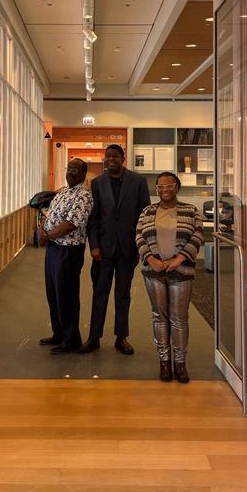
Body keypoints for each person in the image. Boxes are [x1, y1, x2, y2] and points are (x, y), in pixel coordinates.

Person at [79, 144, 150, 355]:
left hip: (128, 249)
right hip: (103, 249)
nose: (111, 159)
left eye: (115, 156)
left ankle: (121, 337)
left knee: (123, 294)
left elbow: (144, 216)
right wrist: (94, 246)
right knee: (99, 293)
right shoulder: (97, 183)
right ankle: (94, 337)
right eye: (108, 156)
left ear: (123, 158)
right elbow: (94, 218)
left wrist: (141, 246)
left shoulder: (138, 181)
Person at [135, 171, 204, 382]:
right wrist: (151, 259)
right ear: (156, 189)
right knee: (159, 317)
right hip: (154, 272)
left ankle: (180, 364)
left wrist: (179, 259)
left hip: (181, 272)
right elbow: (139, 236)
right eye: (160, 186)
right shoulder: (147, 211)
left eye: (169, 185)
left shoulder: (190, 211)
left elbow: (198, 235)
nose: (164, 189)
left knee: (179, 319)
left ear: (177, 187)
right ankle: (164, 362)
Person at [38, 158, 93, 354]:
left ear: (84, 174)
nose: (71, 172)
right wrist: (42, 230)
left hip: (68, 250)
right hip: (54, 248)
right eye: (69, 168)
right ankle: (58, 333)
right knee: (53, 292)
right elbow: (49, 214)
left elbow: (71, 224)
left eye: (76, 169)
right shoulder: (63, 192)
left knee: (66, 294)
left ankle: (71, 339)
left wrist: (47, 235)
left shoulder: (84, 196)